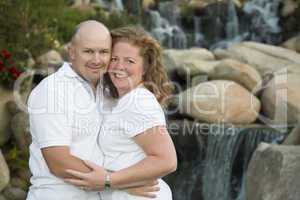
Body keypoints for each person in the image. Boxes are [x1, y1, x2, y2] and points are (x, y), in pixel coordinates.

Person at [26, 21, 158, 200]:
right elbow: (58, 161)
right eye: (88, 51)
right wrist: (118, 182)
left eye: (104, 52)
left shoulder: (108, 88)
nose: (97, 60)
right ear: (71, 52)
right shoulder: (52, 91)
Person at [64, 26, 177, 199]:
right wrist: (123, 185)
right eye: (114, 58)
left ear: (145, 67)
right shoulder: (118, 99)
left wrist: (110, 180)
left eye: (129, 61)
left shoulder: (139, 102)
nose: (119, 66)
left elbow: (167, 161)